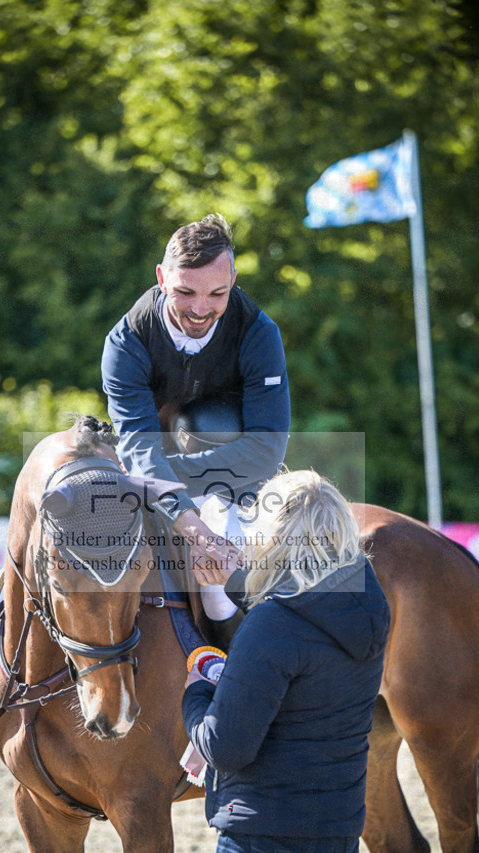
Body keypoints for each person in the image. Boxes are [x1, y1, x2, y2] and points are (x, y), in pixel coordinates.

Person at [181, 469, 390, 853]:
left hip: (263, 839)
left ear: (278, 535)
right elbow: (302, 611)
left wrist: (197, 692)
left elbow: (226, 749)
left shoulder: (272, 626)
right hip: (338, 836)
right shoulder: (370, 603)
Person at [101, 214, 291, 641]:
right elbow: (138, 445)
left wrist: (157, 477)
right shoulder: (126, 342)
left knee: (218, 584)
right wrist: (185, 516)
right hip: (145, 469)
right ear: (161, 277)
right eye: (185, 291)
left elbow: (267, 449)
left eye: (217, 293)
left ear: (234, 280)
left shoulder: (259, 333)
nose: (201, 308)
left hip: (233, 474)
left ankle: (240, 677)